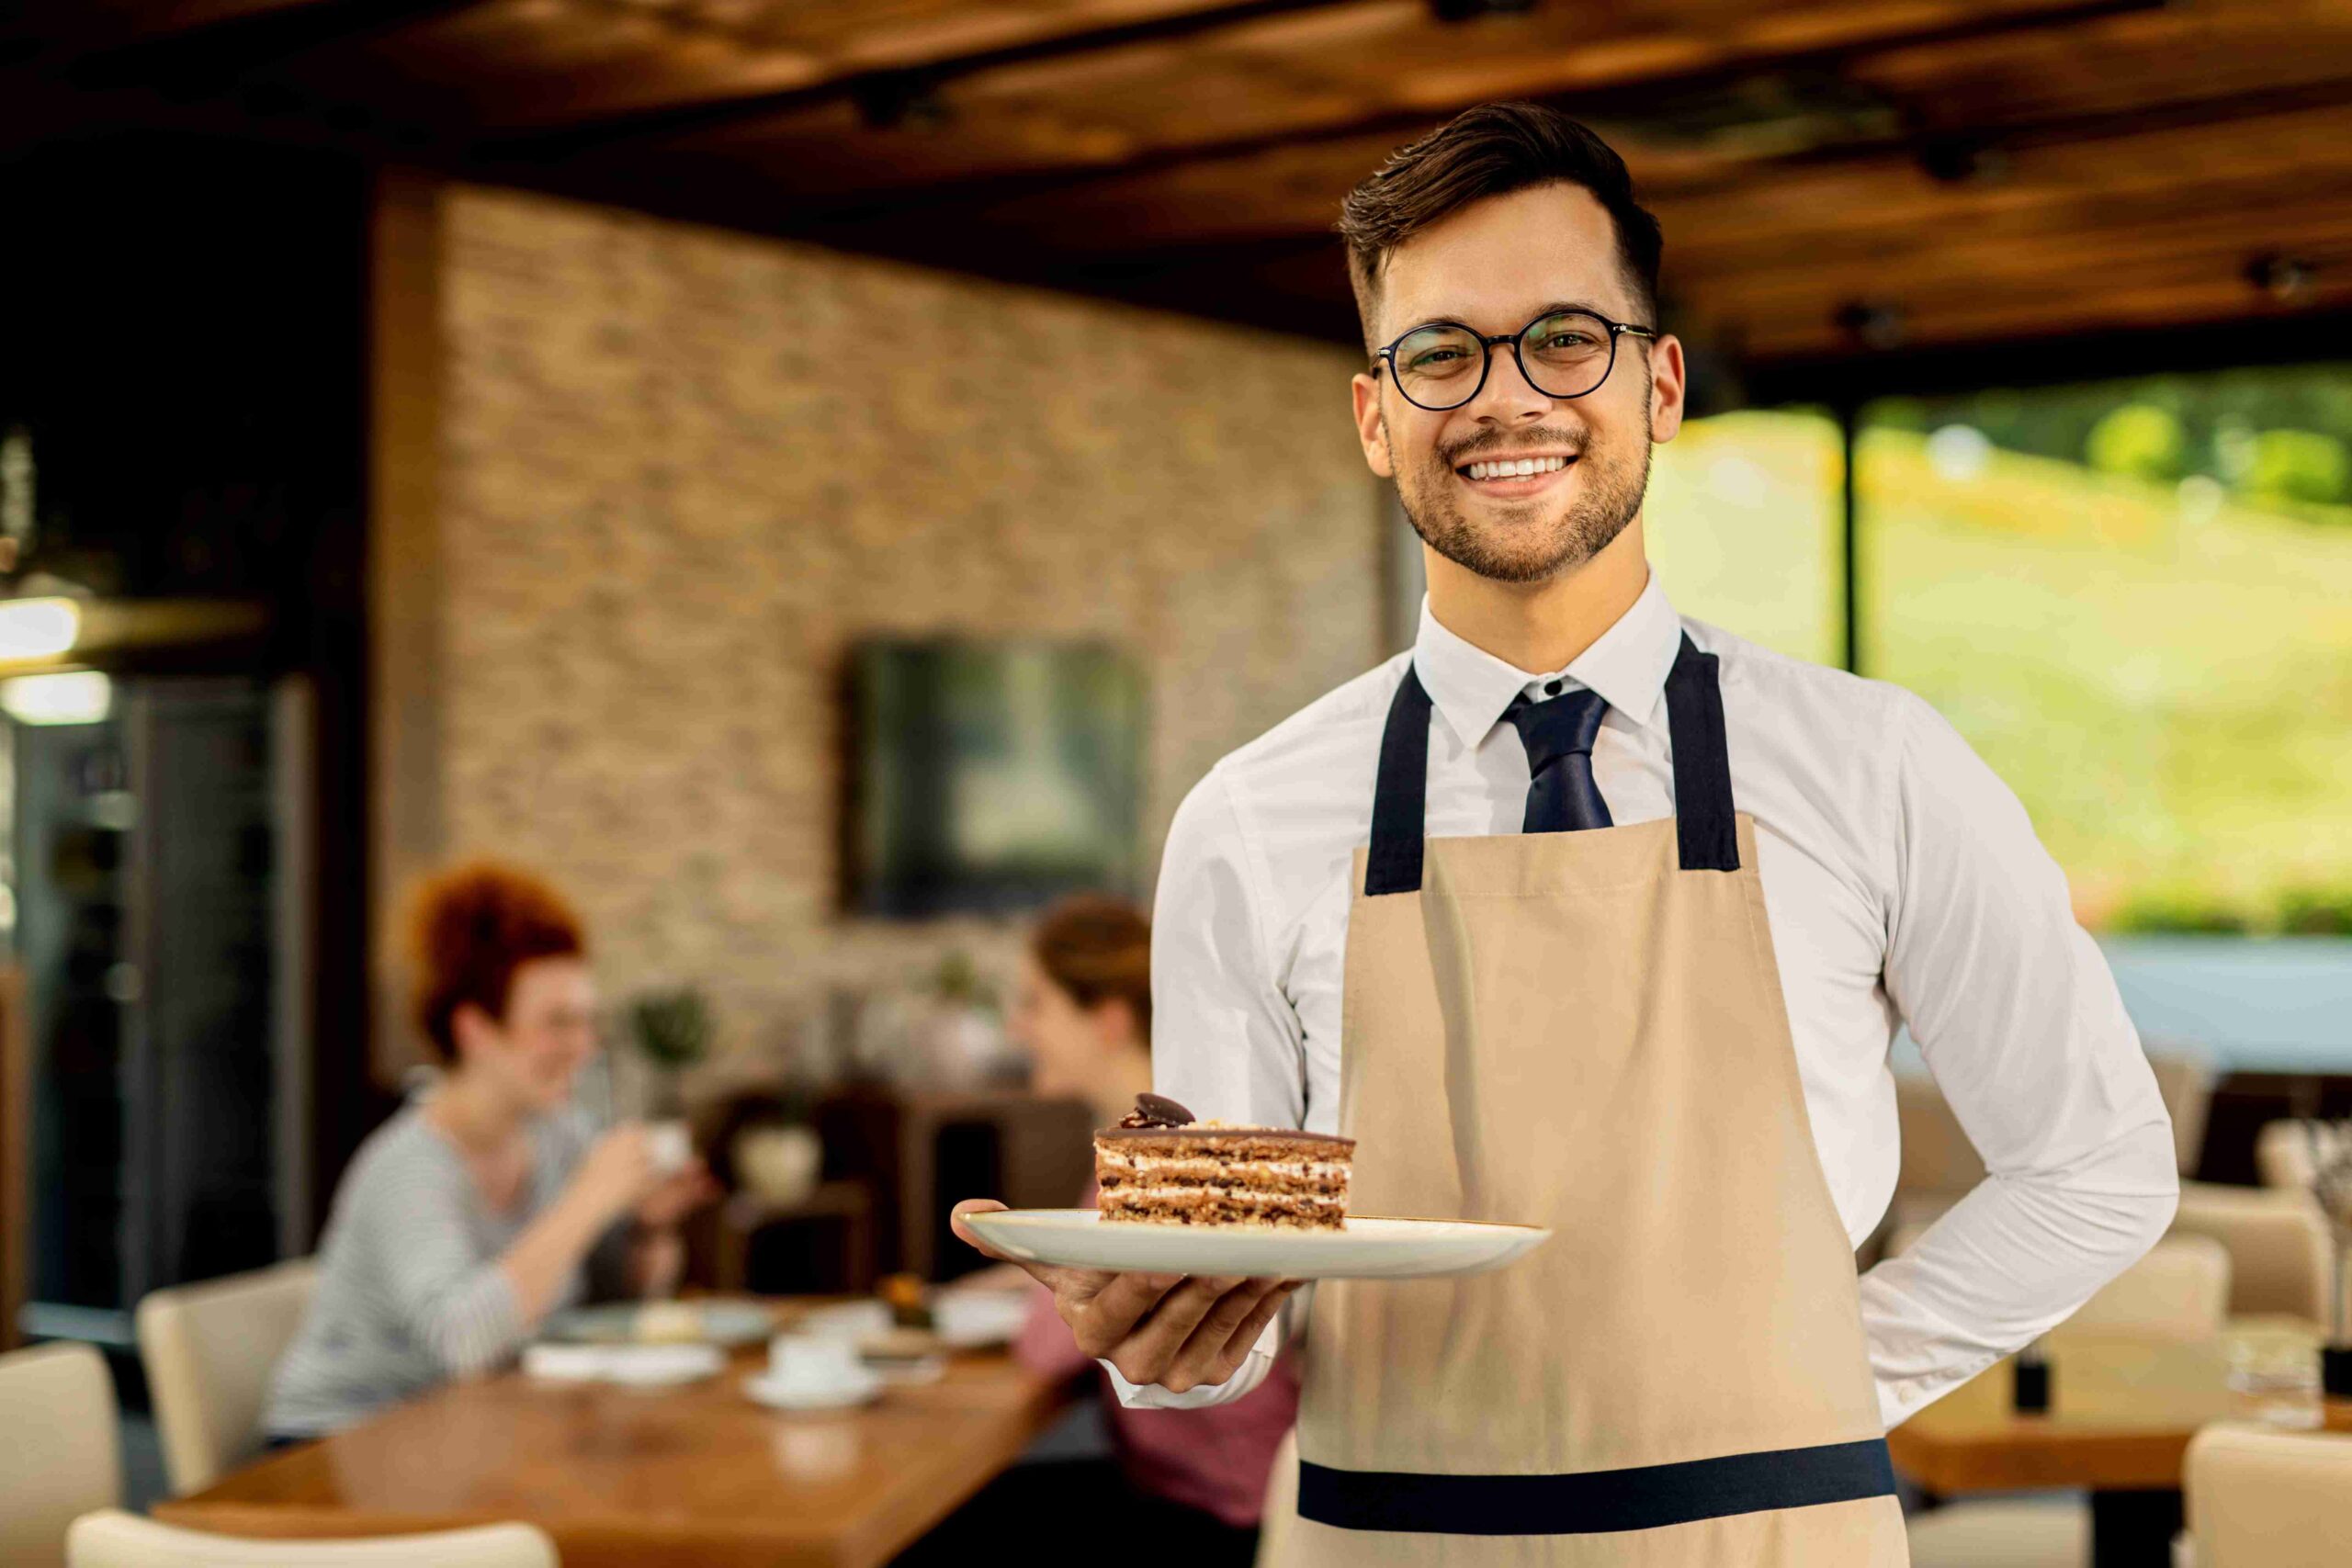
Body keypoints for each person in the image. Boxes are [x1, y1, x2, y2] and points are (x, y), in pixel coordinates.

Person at [956, 102, 2178, 1565]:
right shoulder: (1248, 815)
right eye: (1441, 352)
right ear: (1375, 416)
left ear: (1659, 384)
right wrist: (1155, 1332)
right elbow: (1228, 1304)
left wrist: (1826, 1372)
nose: (1506, 396)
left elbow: (2094, 1162)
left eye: (1565, 338)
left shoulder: (1878, 764)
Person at [901, 897, 1296, 1566]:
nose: (1018, 1027)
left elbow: (1045, 1346)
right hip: (1206, 1490)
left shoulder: (1152, 1157)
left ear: (1108, 1020)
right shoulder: (1169, 1124)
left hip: (1218, 1515)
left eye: (1036, 1003)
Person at [265, 862, 716, 1438]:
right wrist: (589, 1198)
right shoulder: (406, 1166)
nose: (583, 1046)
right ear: (475, 1029)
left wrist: (649, 1227)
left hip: (469, 1436)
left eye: (586, 1021)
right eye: (557, 1022)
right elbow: (465, 1343)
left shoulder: (560, 1136)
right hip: (337, 1449)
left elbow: (604, 1302)